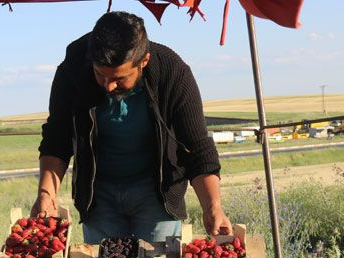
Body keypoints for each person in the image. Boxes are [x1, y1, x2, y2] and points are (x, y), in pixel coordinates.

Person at [32, 11, 231, 244]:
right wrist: (46, 195)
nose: (108, 86)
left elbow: (196, 146)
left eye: (119, 78)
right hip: (99, 195)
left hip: (156, 193)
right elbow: (57, 138)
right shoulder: (72, 70)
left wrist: (213, 206)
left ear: (143, 61)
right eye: (100, 75)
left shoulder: (172, 71)